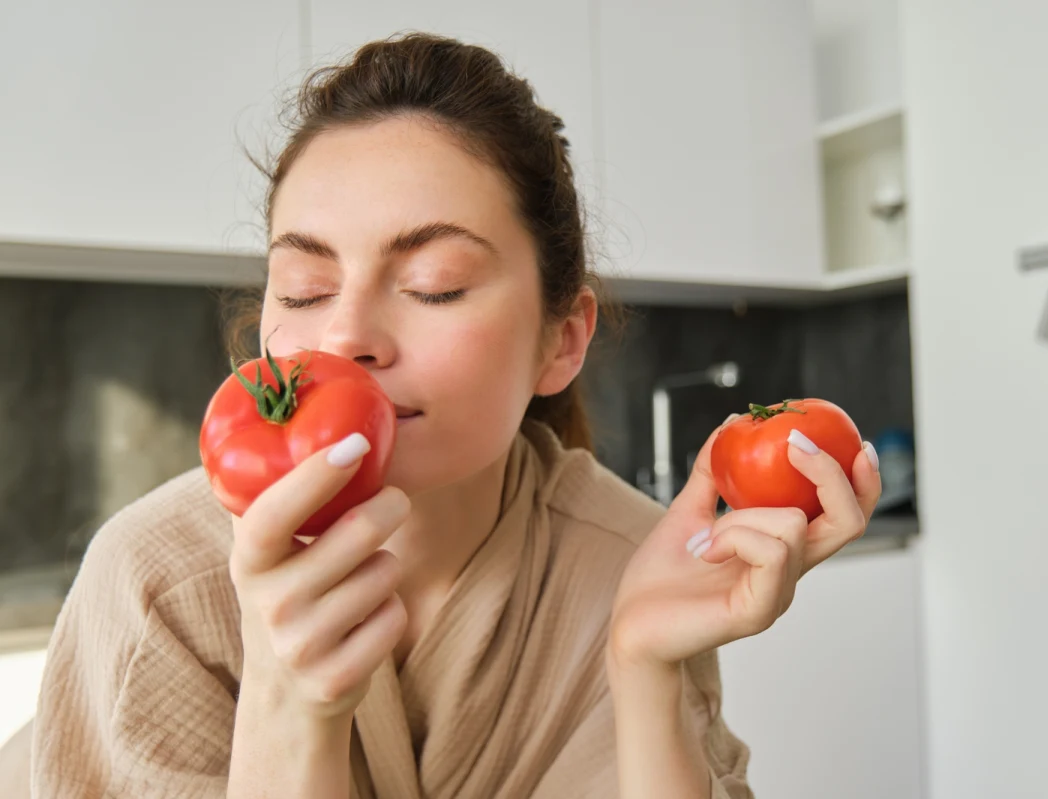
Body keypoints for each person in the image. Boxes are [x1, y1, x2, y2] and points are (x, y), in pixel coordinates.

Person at [14, 32, 881, 798]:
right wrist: (290, 706)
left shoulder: (629, 566)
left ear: (562, 340)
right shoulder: (157, 584)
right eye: (305, 290)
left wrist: (645, 671)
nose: (346, 338)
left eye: (434, 285)